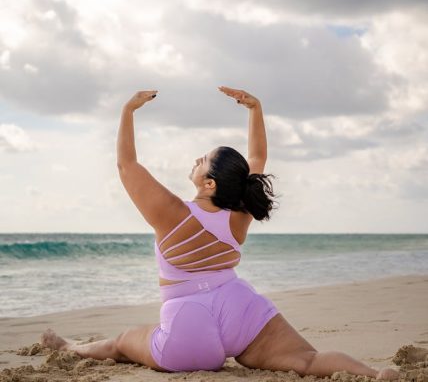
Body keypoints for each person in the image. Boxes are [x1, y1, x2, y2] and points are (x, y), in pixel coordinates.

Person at [41, 86, 399, 380]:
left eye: (203, 160)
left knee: (122, 343)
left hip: (188, 325)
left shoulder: (172, 213)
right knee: (307, 360)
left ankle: (72, 348)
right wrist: (255, 109)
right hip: (241, 310)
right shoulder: (238, 212)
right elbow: (257, 159)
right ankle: (373, 373)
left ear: (209, 183)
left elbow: (127, 165)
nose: (197, 158)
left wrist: (127, 111)